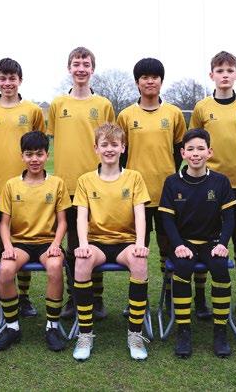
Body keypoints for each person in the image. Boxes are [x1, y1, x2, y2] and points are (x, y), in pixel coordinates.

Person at [190, 51, 236, 318]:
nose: (225, 75)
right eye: (220, 71)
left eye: (229, 71)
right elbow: (195, 142)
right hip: (207, 183)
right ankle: (199, 299)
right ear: (212, 75)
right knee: (202, 238)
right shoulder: (202, 107)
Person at [71, 123, 151, 361]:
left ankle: (135, 334)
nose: (109, 149)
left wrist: (140, 243)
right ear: (96, 148)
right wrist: (83, 244)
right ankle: (85, 334)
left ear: (123, 147)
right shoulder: (85, 180)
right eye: (104, 145)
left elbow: (140, 214)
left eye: (114, 144)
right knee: (81, 262)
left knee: (139, 262)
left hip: (126, 242)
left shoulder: (134, 177)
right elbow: (81, 216)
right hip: (96, 242)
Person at [48, 47, 115, 320]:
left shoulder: (104, 105)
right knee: (74, 245)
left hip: (98, 186)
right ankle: (74, 298)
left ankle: (95, 298)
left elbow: (110, 142)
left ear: (92, 69)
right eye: (76, 64)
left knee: (95, 243)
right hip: (67, 187)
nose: (81, 68)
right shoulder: (57, 104)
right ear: (69, 68)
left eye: (86, 64)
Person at [116, 57, 187, 316]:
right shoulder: (126, 115)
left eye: (154, 77)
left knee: (170, 247)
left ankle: (170, 295)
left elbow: (179, 152)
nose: (150, 81)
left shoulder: (174, 114)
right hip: (137, 195)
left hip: (168, 194)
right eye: (144, 77)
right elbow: (121, 155)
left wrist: (169, 175)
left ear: (161, 81)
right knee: (138, 248)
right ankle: (138, 299)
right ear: (137, 82)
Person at [0, 58, 45, 320]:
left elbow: (37, 143)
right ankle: (0, 294)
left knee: (22, 240)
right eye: (3, 78)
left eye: (12, 78)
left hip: (26, 186)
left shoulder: (33, 110)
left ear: (20, 80)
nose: (8, 83)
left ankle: (23, 297)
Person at [0, 131, 71, 352]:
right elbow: (4, 223)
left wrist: (56, 244)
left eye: (39, 154)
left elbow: (63, 221)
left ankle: (52, 327)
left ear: (47, 155)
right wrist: (8, 247)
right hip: (20, 243)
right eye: (29, 154)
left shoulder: (57, 184)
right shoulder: (11, 185)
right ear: (22, 156)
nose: (34, 159)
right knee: (5, 269)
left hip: (47, 242)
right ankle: (12, 327)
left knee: (55, 266)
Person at [159, 128, 236, 358]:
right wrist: (177, 245)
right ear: (182, 153)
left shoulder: (220, 181)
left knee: (220, 268)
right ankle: (183, 331)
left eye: (201, 149)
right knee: (182, 267)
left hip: (212, 241)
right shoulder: (172, 182)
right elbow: (167, 220)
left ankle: (220, 332)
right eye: (190, 149)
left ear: (209, 152)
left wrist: (223, 243)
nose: (195, 153)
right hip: (184, 242)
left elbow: (229, 218)